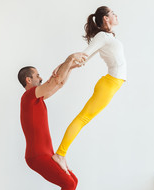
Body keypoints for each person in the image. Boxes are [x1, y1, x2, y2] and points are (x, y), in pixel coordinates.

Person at [18, 52, 87, 190]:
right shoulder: (29, 97)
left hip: (47, 154)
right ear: (28, 79)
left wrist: (69, 67)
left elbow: (59, 83)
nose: (40, 77)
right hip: (37, 156)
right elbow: (53, 83)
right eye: (37, 75)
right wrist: (70, 58)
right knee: (68, 184)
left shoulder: (38, 99)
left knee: (73, 182)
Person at [53, 6, 126, 163]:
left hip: (111, 84)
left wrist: (64, 65)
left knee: (83, 118)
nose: (116, 15)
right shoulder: (102, 37)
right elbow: (83, 55)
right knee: (83, 118)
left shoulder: (108, 37)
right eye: (113, 13)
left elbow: (82, 61)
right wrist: (62, 65)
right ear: (106, 18)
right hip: (109, 84)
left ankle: (61, 153)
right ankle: (60, 154)